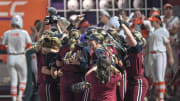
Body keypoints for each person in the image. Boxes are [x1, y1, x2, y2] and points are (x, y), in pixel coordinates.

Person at [1, 15, 32, 101]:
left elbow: (2, 47)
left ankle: (14, 98)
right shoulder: (24, 32)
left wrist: (8, 46)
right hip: (21, 56)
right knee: (23, 79)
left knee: (14, 80)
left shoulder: (7, 33)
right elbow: (29, 45)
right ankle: (20, 96)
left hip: (10, 57)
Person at [148, 14, 174, 101]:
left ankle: (161, 98)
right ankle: (158, 96)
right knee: (155, 77)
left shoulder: (163, 30)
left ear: (157, 21)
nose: (151, 22)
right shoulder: (152, 31)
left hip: (160, 53)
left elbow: (168, 45)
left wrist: (171, 57)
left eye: (153, 21)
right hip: (151, 54)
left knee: (160, 76)